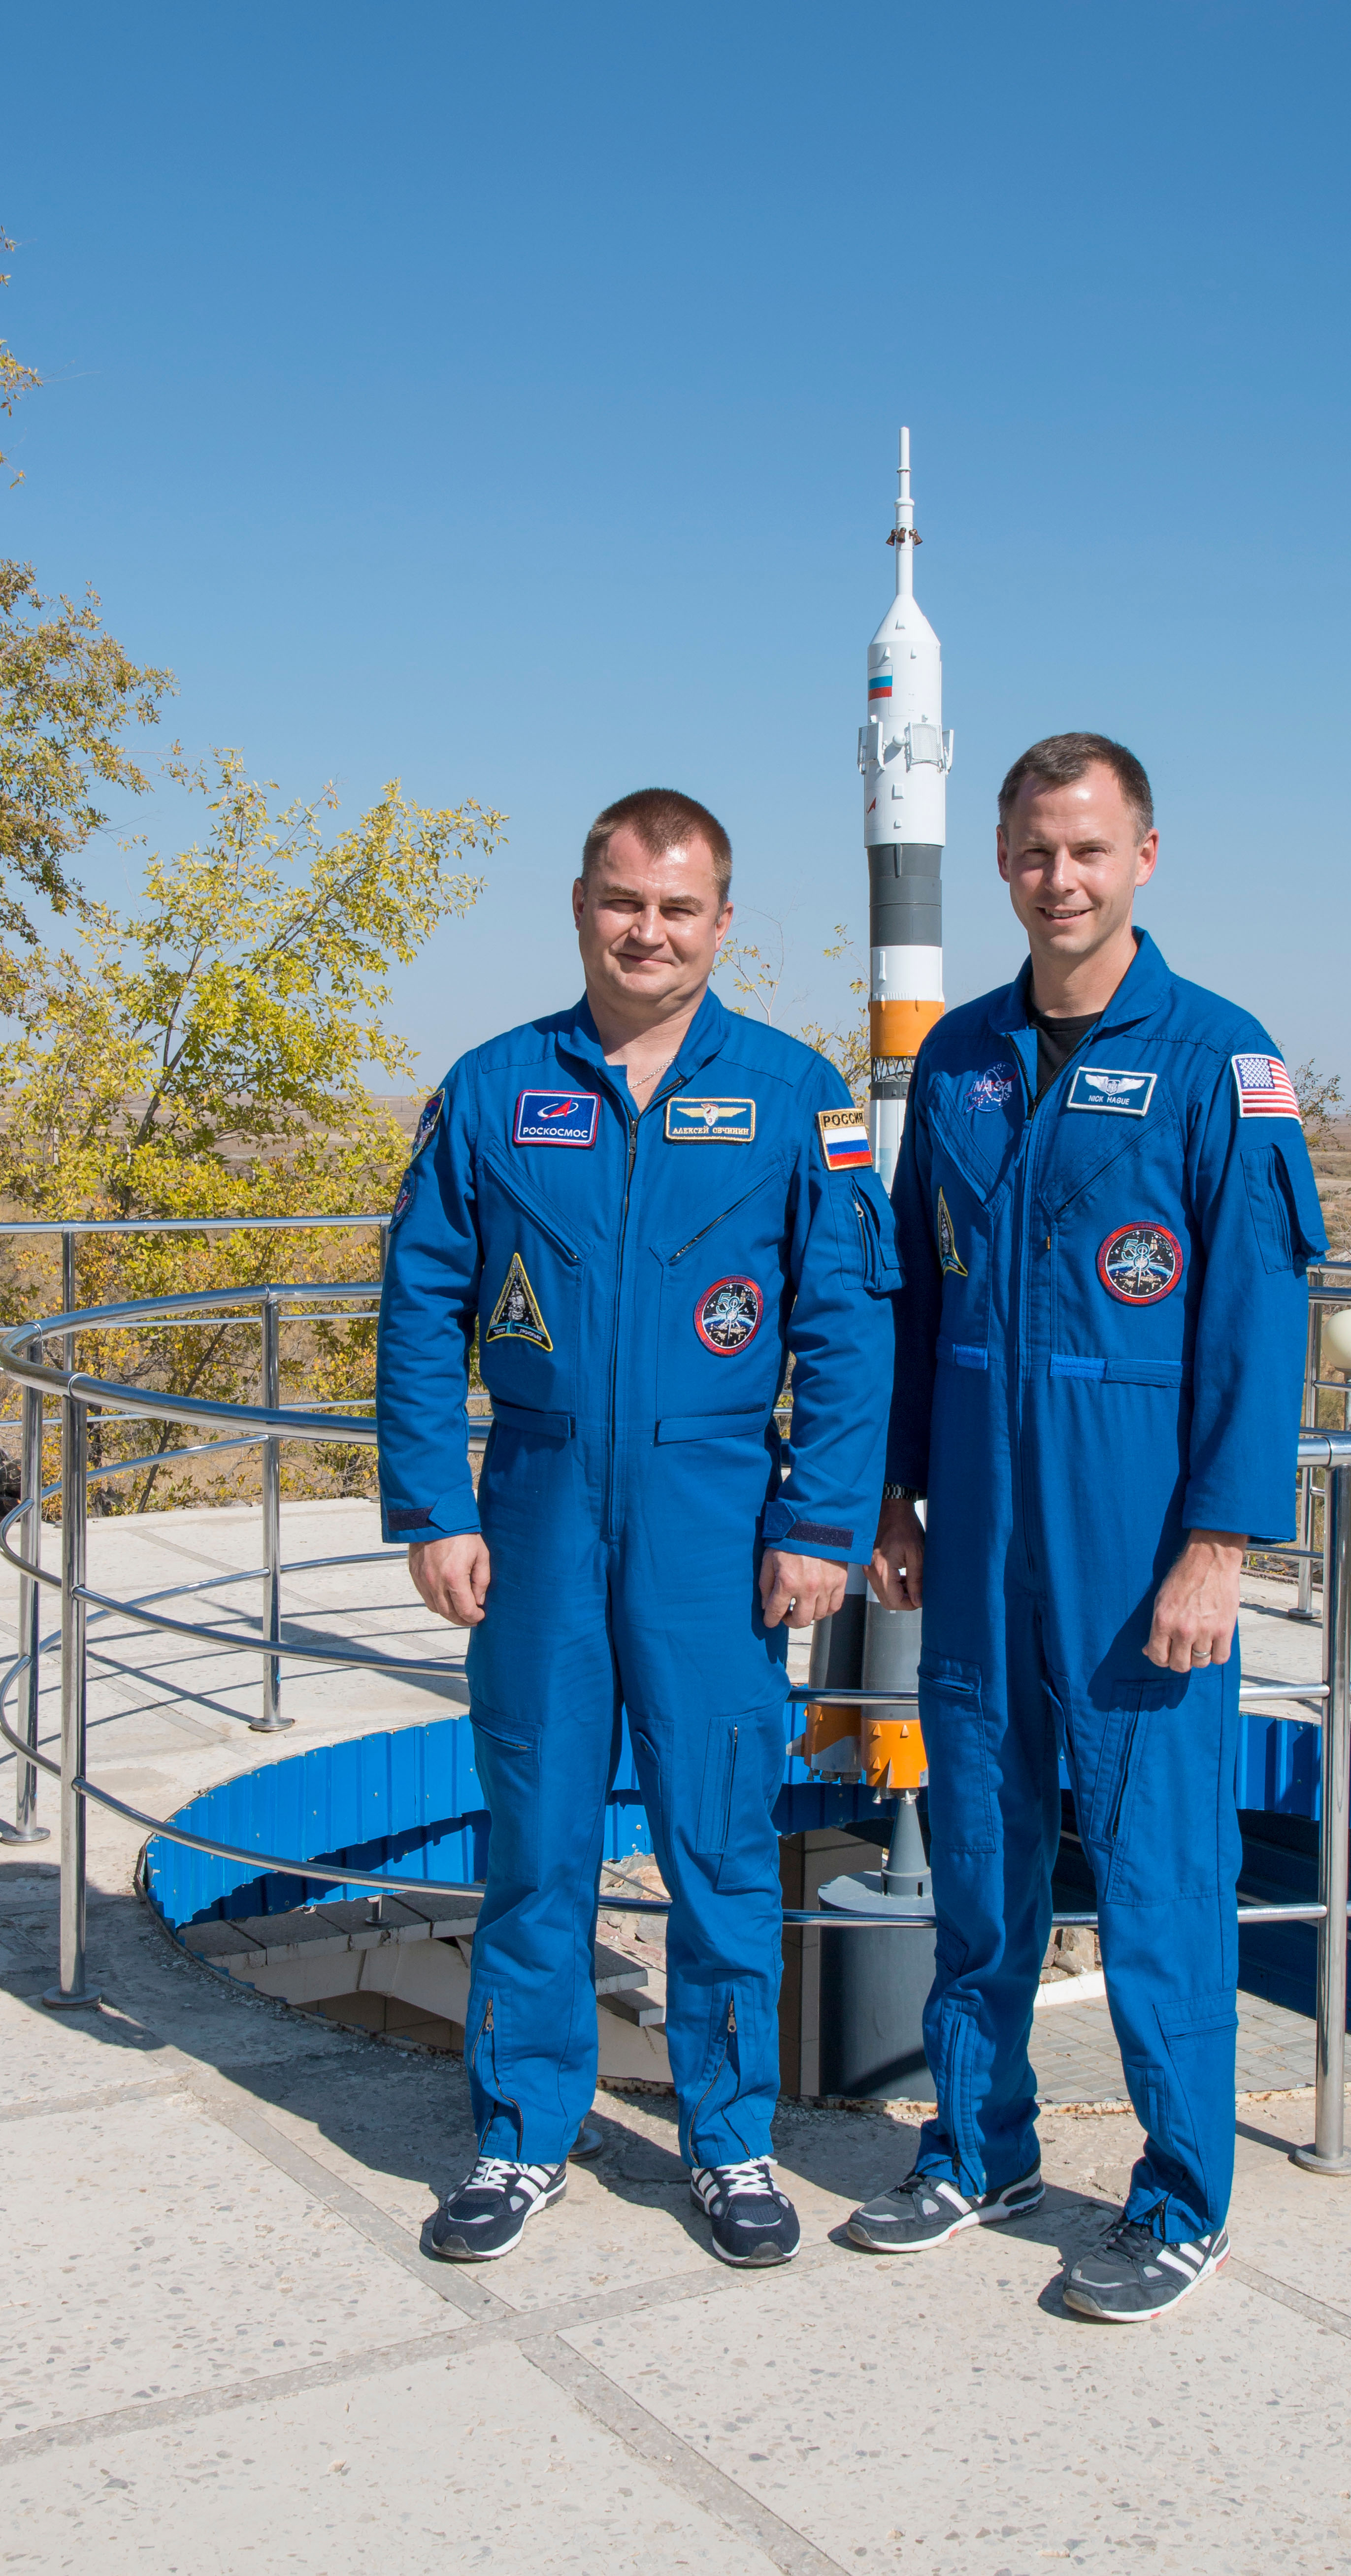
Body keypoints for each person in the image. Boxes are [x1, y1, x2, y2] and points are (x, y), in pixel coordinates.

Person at [377, 788, 898, 2268]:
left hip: (715, 1519)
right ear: (581, 906)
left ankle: (731, 2145)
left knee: (719, 1848)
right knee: (537, 1841)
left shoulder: (796, 1095)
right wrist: (433, 1503)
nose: (647, 932)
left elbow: (849, 1327)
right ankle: (522, 2133)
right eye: (623, 901)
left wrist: (821, 1522)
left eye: (678, 908)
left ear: (723, 923)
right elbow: (418, 1303)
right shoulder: (494, 1088)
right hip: (538, 1509)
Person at [852, 733, 1325, 2320]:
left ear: (1144, 859)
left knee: (1158, 1870)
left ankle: (1183, 2198)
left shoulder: (1219, 1059)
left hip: (1141, 1547)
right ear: (1002, 864)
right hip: (980, 1531)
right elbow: (916, 1292)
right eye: (1037, 851)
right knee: (980, 1855)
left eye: (1090, 849)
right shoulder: (963, 1058)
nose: (1062, 878)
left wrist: (1218, 1546)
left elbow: (1257, 1322)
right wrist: (897, 1488)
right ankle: (978, 2148)